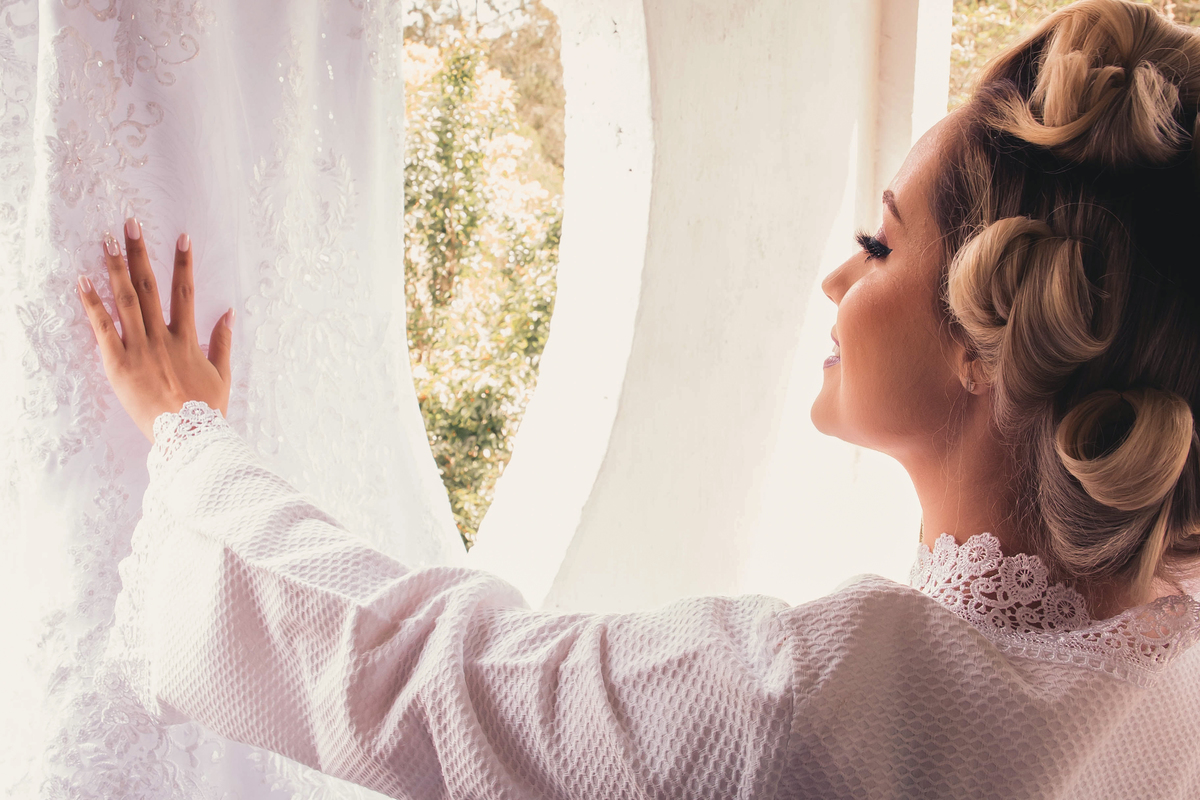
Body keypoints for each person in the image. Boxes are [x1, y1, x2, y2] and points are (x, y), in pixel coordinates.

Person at [77, 0, 1200, 796]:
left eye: (879, 242)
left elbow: (436, 676)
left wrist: (187, 440)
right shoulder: (1171, 656)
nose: (836, 278)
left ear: (988, 337)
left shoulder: (809, 707)